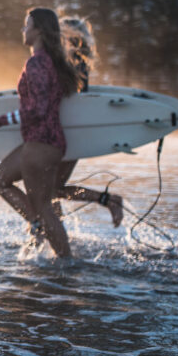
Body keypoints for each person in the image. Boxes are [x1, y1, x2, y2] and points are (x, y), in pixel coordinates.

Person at [0, 7, 82, 258]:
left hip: (40, 143)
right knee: (0, 180)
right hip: (47, 142)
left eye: (27, 25)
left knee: (44, 206)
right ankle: (38, 226)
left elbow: (38, 109)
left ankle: (65, 263)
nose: (23, 30)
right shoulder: (51, 61)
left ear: (38, 31)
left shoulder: (37, 62)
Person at [53, 17, 123, 226]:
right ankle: (49, 231)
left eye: (60, 35)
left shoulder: (72, 64)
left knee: (51, 189)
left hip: (68, 133)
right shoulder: (73, 63)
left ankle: (109, 200)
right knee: (50, 189)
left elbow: (71, 101)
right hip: (65, 131)